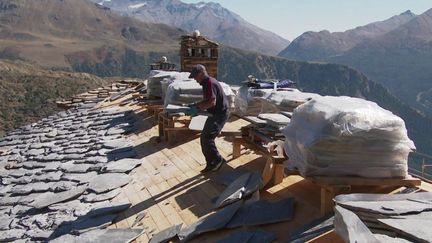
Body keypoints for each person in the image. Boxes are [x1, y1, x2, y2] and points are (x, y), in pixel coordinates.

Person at [189, 64, 229, 173]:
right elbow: (208, 100)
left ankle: (218, 160)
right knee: (204, 138)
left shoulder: (209, 83)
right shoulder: (206, 83)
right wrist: (196, 105)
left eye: (195, 77)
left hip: (220, 114)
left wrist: (197, 109)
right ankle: (210, 163)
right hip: (215, 113)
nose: (195, 79)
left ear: (201, 74)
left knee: (207, 137)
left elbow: (212, 102)